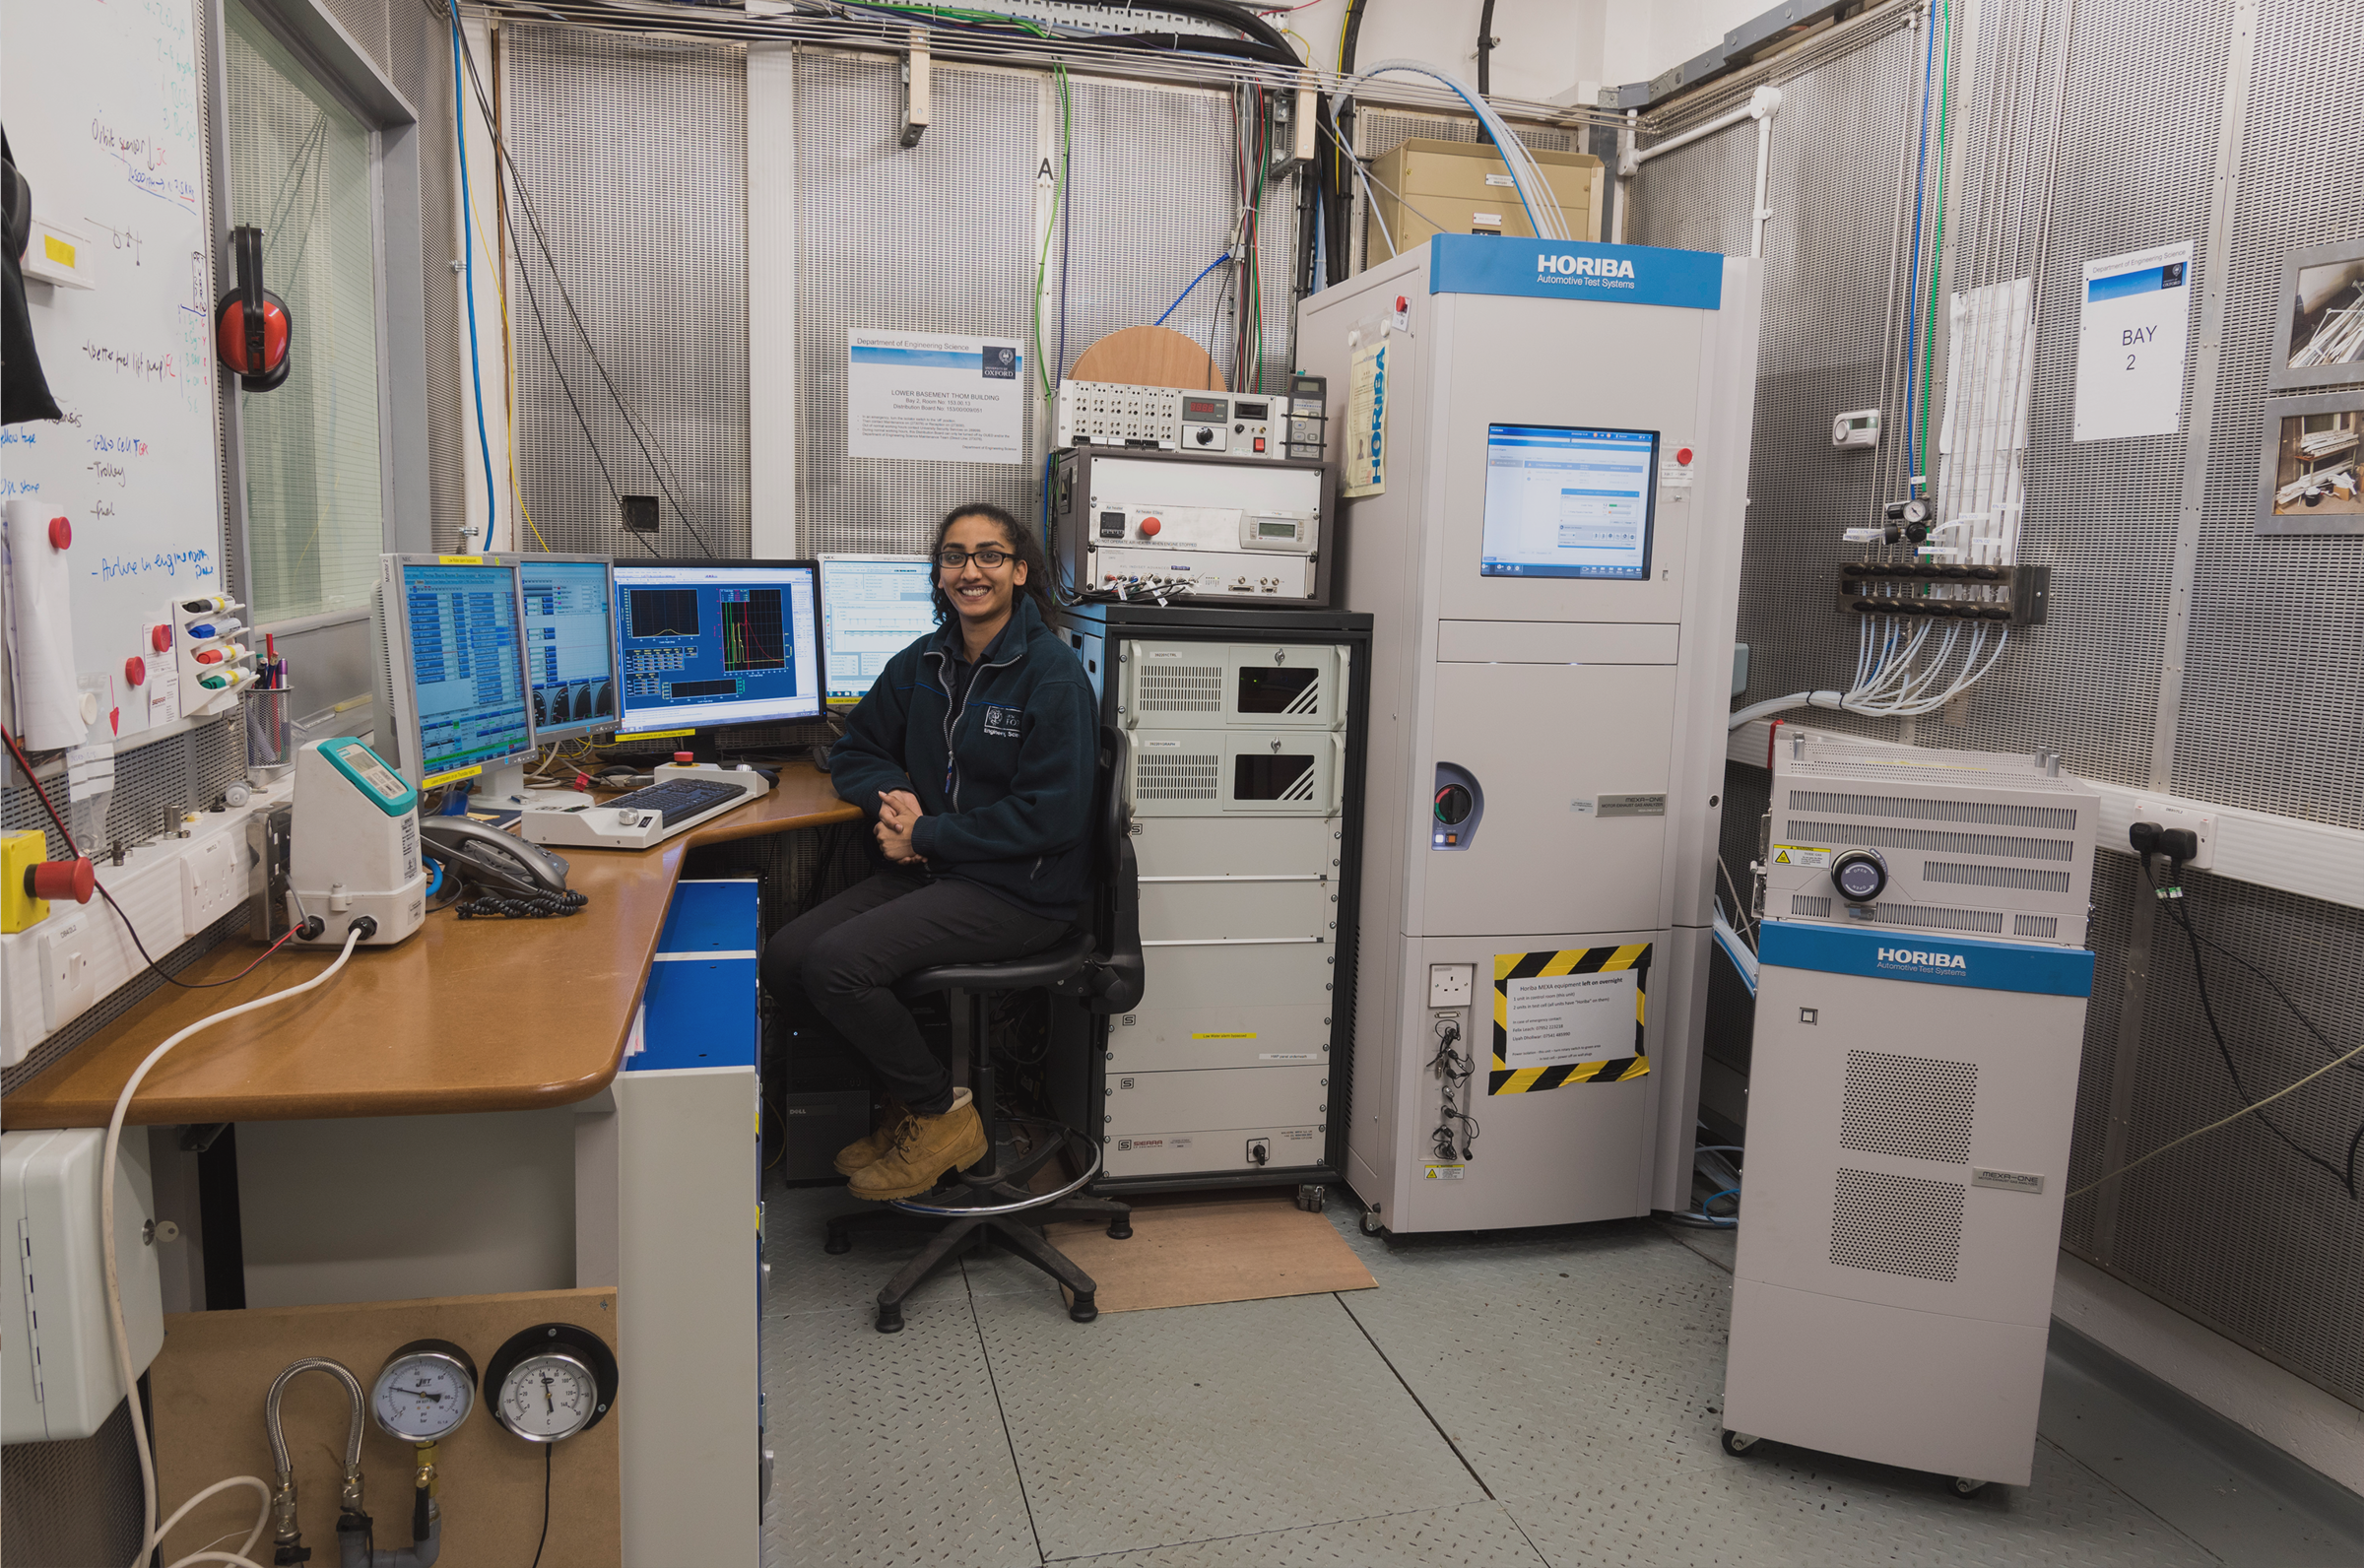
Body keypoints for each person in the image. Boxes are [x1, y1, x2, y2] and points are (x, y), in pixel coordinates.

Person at [761, 502, 1096, 1201]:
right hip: (939, 869)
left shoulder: (1051, 674)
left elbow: (1053, 817)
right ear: (938, 573)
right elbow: (855, 748)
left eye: (988, 555)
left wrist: (928, 834)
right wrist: (894, 803)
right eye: (954, 556)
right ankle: (911, 1101)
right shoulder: (925, 661)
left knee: (839, 966)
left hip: (1021, 891)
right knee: (788, 960)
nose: (969, 570)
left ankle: (941, 1116)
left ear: (1019, 570)